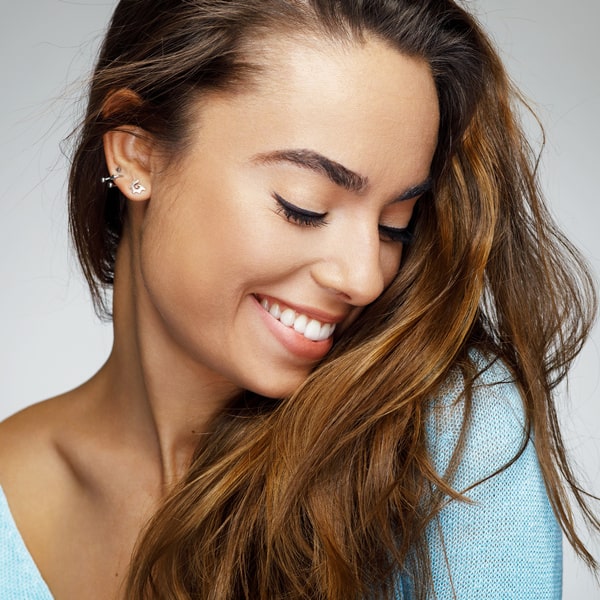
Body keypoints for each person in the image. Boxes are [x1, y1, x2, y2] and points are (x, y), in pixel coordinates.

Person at [0, 0, 597, 598]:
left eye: (396, 224)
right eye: (304, 206)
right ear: (136, 151)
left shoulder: (454, 438)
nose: (364, 279)